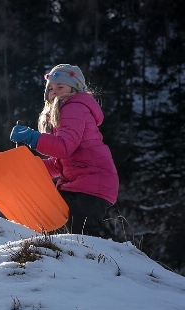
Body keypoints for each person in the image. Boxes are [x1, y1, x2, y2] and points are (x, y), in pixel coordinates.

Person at [9, 63, 119, 237]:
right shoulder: (63, 113)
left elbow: (63, 148)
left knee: (82, 238)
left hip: (90, 182)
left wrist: (32, 137)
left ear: (75, 90)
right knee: (64, 232)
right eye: (51, 88)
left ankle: (90, 263)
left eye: (60, 87)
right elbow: (59, 163)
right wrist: (30, 168)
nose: (54, 91)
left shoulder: (73, 108)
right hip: (78, 182)